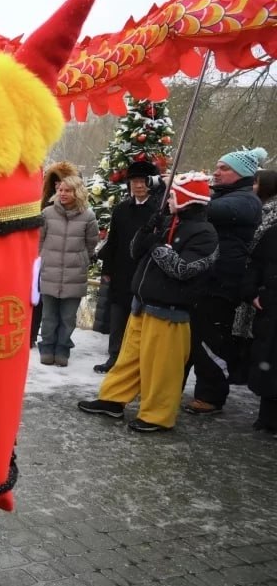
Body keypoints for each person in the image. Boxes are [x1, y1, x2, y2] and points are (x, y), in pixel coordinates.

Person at [78, 172, 219, 432]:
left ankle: (157, 415)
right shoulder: (166, 222)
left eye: (174, 196)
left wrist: (157, 246)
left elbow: (183, 269)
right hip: (142, 306)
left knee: (162, 368)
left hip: (170, 312)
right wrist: (146, 231)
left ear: (187, 200)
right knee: (128, 360)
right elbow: (135, 251)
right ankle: (113, 399)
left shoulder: (204, 233)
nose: (168, 200)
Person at [184, 148, 266, 415]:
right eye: (217, 166)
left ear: (242, 173)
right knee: (187, 337)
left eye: (224, 168)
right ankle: (172, 385)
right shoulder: (223, 194)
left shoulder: (245, 200)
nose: (216, 172)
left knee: (211, 340)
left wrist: (186, 192)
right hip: (202, 278)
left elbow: (208, 209)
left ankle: (211, 394)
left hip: (221, 282)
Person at [93, 161, 161, 373]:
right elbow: (112, 242)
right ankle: (115, 356)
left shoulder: (159, 210)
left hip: (145, 272)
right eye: (134, 181)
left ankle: (137, 361)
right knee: (118, 317)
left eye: (142, 181)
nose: (138, 186)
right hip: (121, 270)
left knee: (140, 319)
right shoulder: (122, 209)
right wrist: (107, 271)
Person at [37, 173, 98, 366]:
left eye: (67, 190)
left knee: (68, 317)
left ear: (77, 192)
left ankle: (63, 349)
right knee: (48, 317)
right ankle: (47, 348)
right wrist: (44, 259)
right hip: (50, 272)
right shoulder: (47, 213)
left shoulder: (88, 216)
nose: (62, 193)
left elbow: (91, 244)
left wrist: (80, 260)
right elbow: (39, 240)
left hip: (74, 274)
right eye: (60, 189)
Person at [240, 170, 277, 432]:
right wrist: (253, 292)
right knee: (269, 357)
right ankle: (267, 417)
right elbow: (257, 262)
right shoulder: (272, 231)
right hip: (271, 302)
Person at [30, 162, 79, 347]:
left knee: (62, 305)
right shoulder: (43, 203)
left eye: (63, 182)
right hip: (42, 256)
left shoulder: (77, 207)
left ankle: (61, 340)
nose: (59, 186)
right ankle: (34, 335)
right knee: (38, 298)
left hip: (66, 260)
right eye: (56, 181)